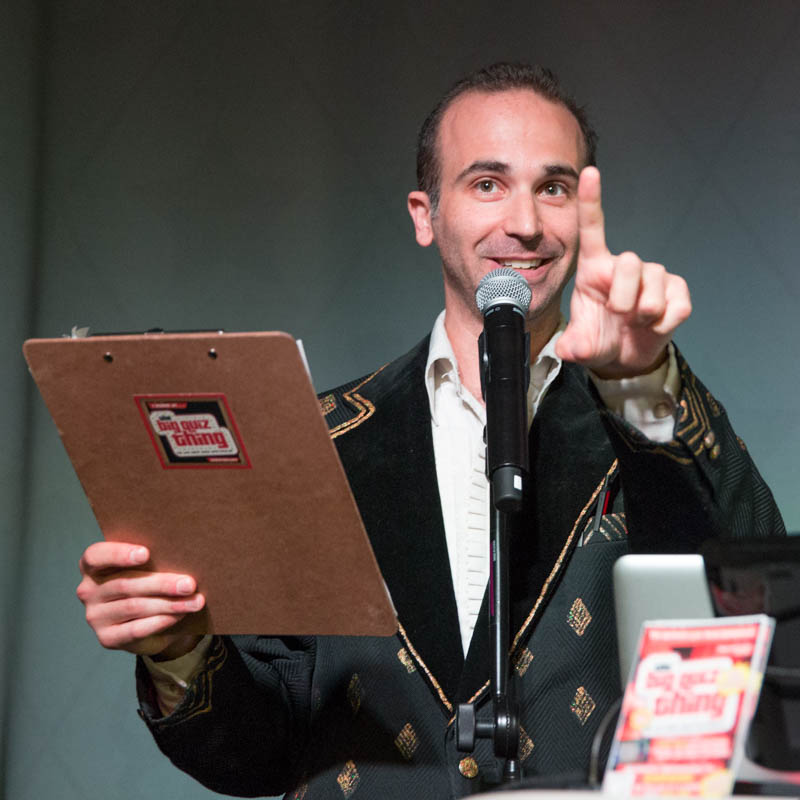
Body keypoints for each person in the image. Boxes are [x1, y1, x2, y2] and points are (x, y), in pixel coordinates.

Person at [77, 63, 785, 798]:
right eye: (487, 184)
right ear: (425, 214)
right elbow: (254, 752)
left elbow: (762, 619)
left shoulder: (642, 409)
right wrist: (178, 651)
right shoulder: (321, 441)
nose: (526, 223)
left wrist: (640, 380)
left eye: (554, 187)